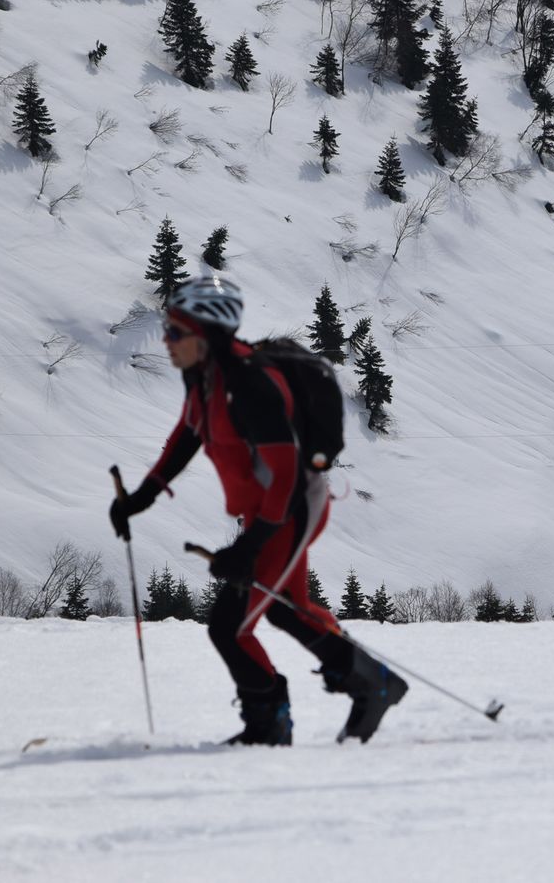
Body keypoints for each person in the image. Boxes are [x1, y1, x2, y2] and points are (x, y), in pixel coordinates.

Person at [109, 275, 406, 745]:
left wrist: (250, 547)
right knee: (288, 611)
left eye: (175, 331)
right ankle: (373, 683)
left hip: (289, 509)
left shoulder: (250, 384)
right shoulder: (205, 380)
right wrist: (140, 498)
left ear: (206, 334)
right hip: (268, 513)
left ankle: (270, 724)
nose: (166, 340)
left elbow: (285, 477)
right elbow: (186, 437)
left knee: (229, 626)